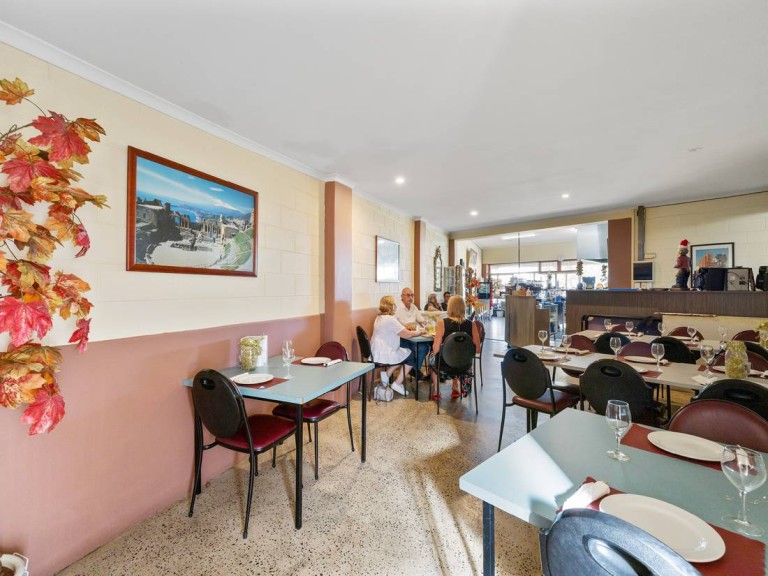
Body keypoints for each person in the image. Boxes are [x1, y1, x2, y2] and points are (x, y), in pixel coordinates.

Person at [370, 295, 425, 396]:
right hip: (385, 353)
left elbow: (399, 329)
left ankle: (386, 374)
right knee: (411, 356)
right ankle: (397, 383)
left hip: (376, 352)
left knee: (404, 354)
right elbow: (407, 335)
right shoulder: (390, 319)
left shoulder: (379, 318)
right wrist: (419, 332)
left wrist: (405, 328)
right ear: (392, 306)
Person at [429, 295, 481, 399]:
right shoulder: (471, 324)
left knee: (431, 356)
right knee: (457, 355)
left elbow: (436, 349)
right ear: (463, 308)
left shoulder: (442, 323)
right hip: (464, 366)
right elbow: (478, 349)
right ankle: (455, 386)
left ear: (449, 307)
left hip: (444, 366)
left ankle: (436, 390)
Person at [396, 287, 430, 377]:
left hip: (415, 337)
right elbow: (394, 325)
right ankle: (414, 370)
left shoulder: (414, 307)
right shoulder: (397, 308)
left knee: (425, 347)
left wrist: (426, 323)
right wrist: (406, 326)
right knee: (420, 348)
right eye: (408, 295)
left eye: (412, 295)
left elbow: (422, 321)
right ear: (402, 296)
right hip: (402, 339)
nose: (410, 297)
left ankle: (414, 369)